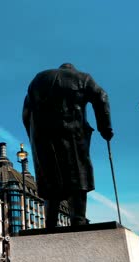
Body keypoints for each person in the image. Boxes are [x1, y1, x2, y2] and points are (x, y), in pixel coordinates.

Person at [22, 63, 113, 228]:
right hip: (72, 134)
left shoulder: (38, 79)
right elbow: (102, 97)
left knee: (48, 176)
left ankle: (50, 222)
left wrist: (33, 137)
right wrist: (105, 127)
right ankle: (78, 219)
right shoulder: (82, 77)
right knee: (77, 174)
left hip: (42, 136)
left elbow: (26, 113)